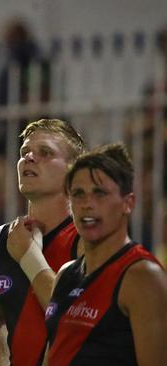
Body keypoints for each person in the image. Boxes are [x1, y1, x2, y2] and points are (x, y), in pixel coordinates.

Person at [0, 118, 86, 366]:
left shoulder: (87, 239)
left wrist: (27, 256)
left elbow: (76, 319)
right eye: (25, 152)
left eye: (45, 152)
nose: (29, 158)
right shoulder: (0, 239)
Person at [44, 143, 167, 366]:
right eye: (78, 194)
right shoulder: (65, 274)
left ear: (128, 203)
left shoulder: (143, 277)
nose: (87, 204)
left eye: (99, 193)